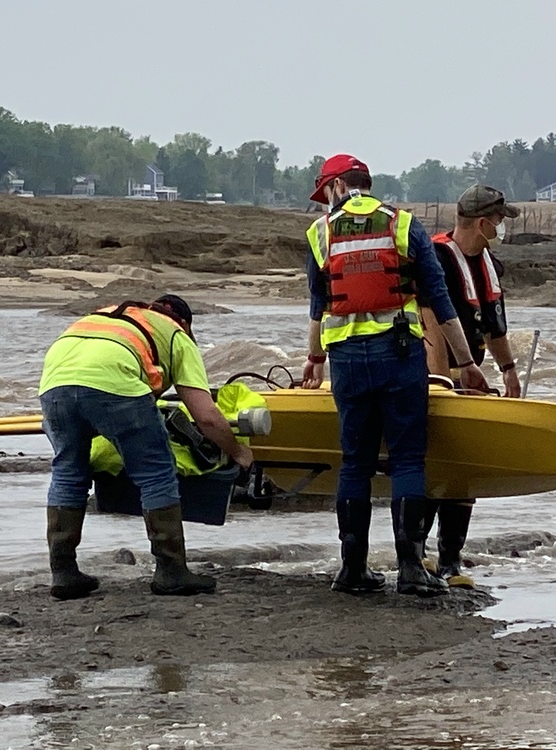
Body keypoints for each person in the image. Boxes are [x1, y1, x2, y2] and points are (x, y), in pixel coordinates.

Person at [301, 153, 490, 598]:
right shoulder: (404, 225)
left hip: (346, 359)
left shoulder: (319, 233)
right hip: (399, 355)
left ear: (336, 187)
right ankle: (410, 569)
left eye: (322, 193)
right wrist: (466, 364)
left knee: (355, 462)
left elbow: (317, 304)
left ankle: (352, 569)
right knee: (407, 459)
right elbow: (440, 301)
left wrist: (313, 359)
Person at [39, 293, 254, 600]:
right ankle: (171, 570)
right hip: (114, 386)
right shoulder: (177, 335)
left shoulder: (107, 316)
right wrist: (239, 453)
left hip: (53, 383)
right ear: (186, 324)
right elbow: (206, 417)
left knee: (68, 472)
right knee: (156, 472)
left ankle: (63, 572)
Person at [419, 184, 521, 588]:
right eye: (499, 220)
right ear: (482, 223)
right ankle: (416, 553)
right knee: (432, 465)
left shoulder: (489, 264)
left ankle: (450, 562)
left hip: (470, 375)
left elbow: (494, 325)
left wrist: (508, 369)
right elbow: (431, 325)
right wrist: (443, 382)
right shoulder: (436, 260)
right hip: (437, 376)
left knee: (463, 469)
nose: (502, 226)